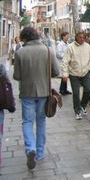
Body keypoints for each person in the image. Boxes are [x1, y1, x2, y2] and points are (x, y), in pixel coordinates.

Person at [13, 27, 60, 170]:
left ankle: (30, 148)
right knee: (41, 121)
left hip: (27, 92)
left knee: (27, 121)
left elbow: (17, 76)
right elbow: (56, 72)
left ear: (25, 38)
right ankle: (39, 153)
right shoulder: (48, 50)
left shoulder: (20, 52)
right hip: (44, 92)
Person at [62, 32, 90, 120]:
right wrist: (65, 74)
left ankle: (83, 106)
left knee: (88, 89)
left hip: (85, 73)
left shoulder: (87, 46)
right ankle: (77, 111)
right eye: (80, 37)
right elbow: (65, 61)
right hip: (74, 74)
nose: (82, 39)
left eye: (83, 37)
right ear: (76, 37)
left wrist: (88, 68)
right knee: (76, 93)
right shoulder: (70, 47)